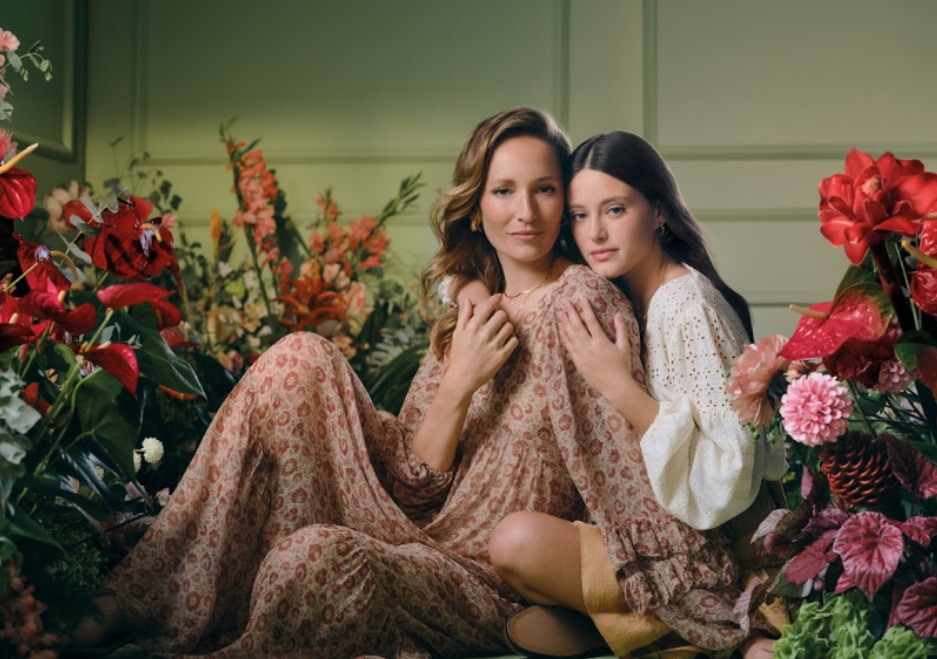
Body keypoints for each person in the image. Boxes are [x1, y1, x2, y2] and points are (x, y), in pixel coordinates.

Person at [68, 108, 704, 658]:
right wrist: (459, 380)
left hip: (484, 576)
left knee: (308, 562)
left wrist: (668, 582)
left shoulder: (581, 300)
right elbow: (415, 481)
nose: (526, 212)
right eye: (504, 191)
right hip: (410, 523)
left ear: (566, 201)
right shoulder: (470, 311)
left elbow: (618, 464)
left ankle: (186, 615)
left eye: (544, 189)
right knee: (300, 358)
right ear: (476, 208)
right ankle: (133, 597)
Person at [457, 131, 787, 657]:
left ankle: (718, 633)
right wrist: (471, 288)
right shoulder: (622, 288)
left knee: (517, 542)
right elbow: (501, 262)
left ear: (658, 212)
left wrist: (615, 384)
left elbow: (726, 482)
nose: (595, 232)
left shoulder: (687, 307)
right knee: (513, 549)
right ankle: (642, 632)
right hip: (660, 535)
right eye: (579, 216)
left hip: (727, 553)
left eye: (615, 209)